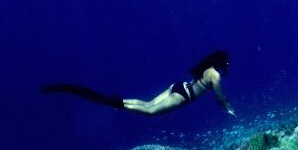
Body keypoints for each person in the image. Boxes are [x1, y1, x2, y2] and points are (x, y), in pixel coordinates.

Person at [41, 50, 235, 117]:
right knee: (150, 112)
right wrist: (227, 108)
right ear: (221, 62)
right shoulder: (215, 75)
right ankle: (116, 103)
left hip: (178, 87)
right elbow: (218, 95)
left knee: (148, 103)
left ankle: (119, 102)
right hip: (184, 96)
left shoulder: (205, 67)